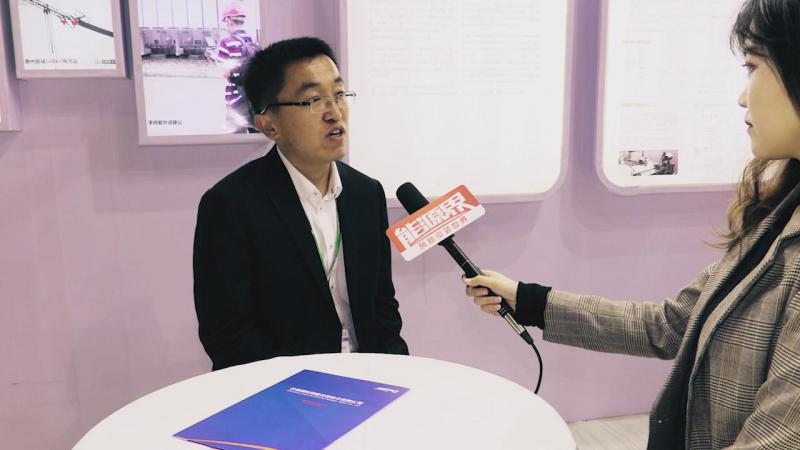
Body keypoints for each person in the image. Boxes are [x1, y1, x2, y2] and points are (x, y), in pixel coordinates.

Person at [464, 0, 800, 448]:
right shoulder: (778, 216)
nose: (742, 96)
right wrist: (529, 301)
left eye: (753, 66)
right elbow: (670, 324)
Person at [193, 37, 408, 371]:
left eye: (339, 94)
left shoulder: (366, 194)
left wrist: (397, 372)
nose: (334, 112)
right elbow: (229, 334)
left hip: (367, 377)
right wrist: (308, 388)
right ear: (269, 125)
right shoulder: (230, 205)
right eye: (313, 100)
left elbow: (382, 306)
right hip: (281, 388)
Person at [215, 5, 258, 133]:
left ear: (230, 22)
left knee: (237, 139)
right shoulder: (254, 42)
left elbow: (225, 73)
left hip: (235, 99)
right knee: (256, 138)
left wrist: (218, 63)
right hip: (253, 98)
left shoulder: (226, 42)